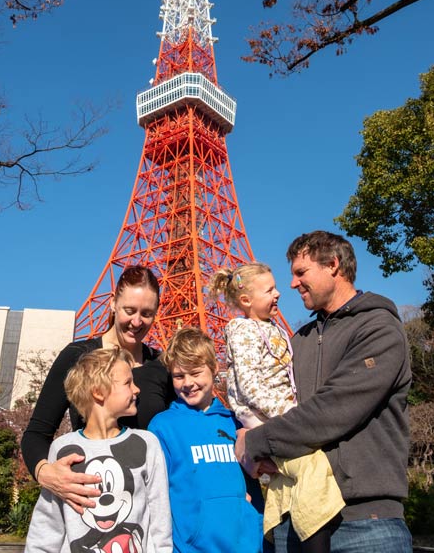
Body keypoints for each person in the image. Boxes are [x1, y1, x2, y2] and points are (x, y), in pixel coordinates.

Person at [235, 231, 413, 553]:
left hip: (364, 521)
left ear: (333, 265)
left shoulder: (378, 328)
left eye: (300, 272)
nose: (292, 284)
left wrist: (255, 443)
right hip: (294, 518)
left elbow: (333, 410)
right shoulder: (297, 340)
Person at [210, 263, 344, 553]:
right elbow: (249, 386)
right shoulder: (242, 330)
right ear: (246, 300)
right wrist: (291, 415)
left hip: (276, 416)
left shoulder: (274, 329)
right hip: (264, 418)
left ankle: (277, 535)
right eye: (269, 290)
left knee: (285, 481)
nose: (278, 293)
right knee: (312, 467)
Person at [21, 265, 174, 513]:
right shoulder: (79, 356)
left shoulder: (162, 366)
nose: (137, 322)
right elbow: (36, 434)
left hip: (148, 507)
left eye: (146, 313)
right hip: (89, 502)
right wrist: (46, 473)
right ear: (113, 303)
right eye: (129, 310)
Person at [24, 346, 172, 553]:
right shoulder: (63, 448)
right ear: (99, 392)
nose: (137, 389)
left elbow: (159, 516)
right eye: (128, 383)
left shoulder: (147, 443)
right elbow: (48, 522)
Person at [148, 326, 264, 553]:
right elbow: (156, 495)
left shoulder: (237, 422)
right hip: (190, 547)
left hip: (245, 543)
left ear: (214, 368)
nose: (188, 383)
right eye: (179, 376)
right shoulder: (163, 427)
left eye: (196, 373)